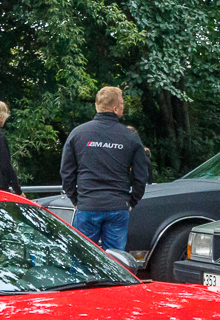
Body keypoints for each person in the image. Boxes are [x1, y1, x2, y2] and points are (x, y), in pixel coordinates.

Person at [59, 86, 151, 250]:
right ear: (115, 109)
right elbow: (141, 175)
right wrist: (132, 201)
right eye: (122, 104)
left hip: (88, 205)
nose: (123, 107)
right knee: (115, 259)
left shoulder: (78, 133)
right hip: (117, 207)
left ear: (97, 106)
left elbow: (66, 172)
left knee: (84, 257)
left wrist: (76, 200)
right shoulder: (130, 137)